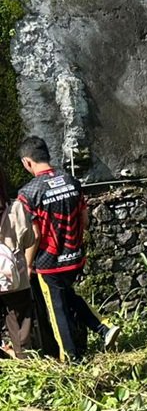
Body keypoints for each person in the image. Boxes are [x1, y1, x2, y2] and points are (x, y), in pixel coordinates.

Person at [16, 136, 119, 361]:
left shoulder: (28, 193)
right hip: (73, 257)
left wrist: (28, 263)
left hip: (49, 263)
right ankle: (103, 328)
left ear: (27, 162)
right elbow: (84, 218)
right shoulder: (70, 180)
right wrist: (75, 245)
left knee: (57, 310)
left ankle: (70, 358)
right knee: (67, 296)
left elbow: (35, 234)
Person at [0, 169, 37, 358]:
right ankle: (23, 356)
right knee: (20, 318)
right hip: (15, 277)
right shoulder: (16, 208)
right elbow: (31, 239)